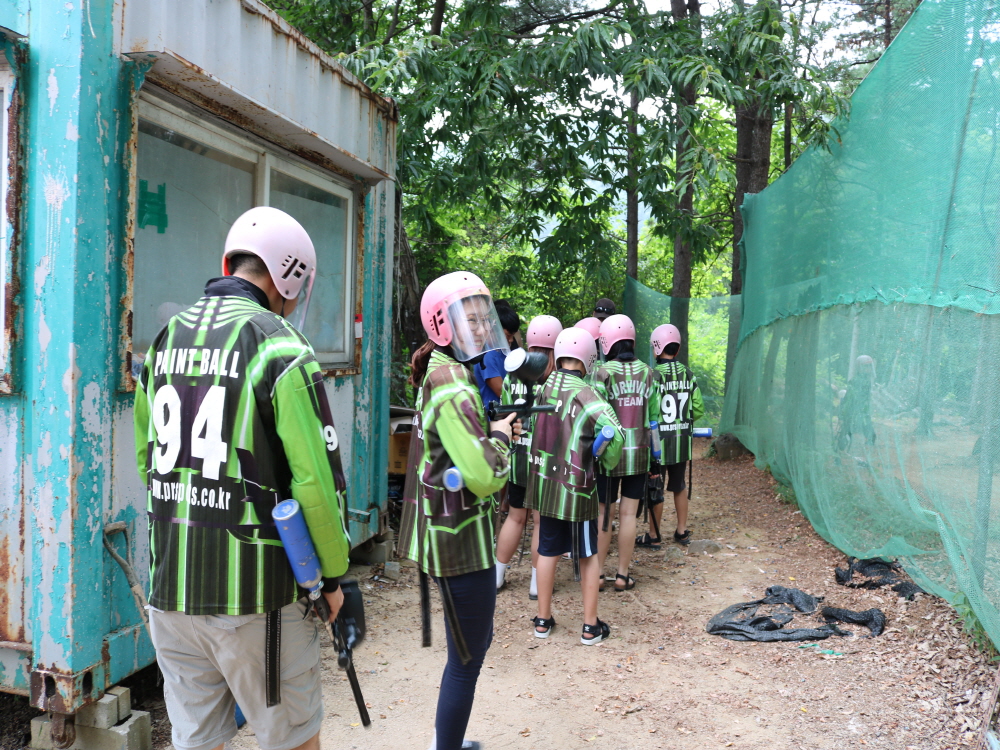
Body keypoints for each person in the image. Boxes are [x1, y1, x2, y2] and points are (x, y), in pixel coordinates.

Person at [133, 206, 351, 750]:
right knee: (293, 739)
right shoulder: (281, 346)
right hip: (257, 600)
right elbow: (315, 484)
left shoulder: (164, 341)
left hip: (170, 592)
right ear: (288, 279)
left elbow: (146, 458)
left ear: (230, 261)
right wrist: (331, 579)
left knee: (198, 740)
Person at [399, 271, 519, 750]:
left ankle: (446, 742)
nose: (483, 328)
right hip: (459, 538)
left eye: (483, 319)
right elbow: (485, 476)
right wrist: (502, 439)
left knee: (469, 648)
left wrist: (489, 431)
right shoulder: (452, 382)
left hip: (445, 529)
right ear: (441, 325)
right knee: (467, 660)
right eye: (470, 320)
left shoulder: (444, 370)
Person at [525, 327, 623, 643]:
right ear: (588, 359)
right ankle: (590, 626)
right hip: (576, 490)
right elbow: (616, 436)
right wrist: (603, 459)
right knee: (588, 554)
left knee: (547, 550)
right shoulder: (588, 395)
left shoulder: (545, 388)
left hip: (546, 484)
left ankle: (542, 620)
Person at [495, 315, 562, 596]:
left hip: (519, 458)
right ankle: (537, 584)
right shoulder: (557, 379)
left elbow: (504, 415)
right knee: (540, 521)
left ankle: (496, 577)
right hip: (545, 461)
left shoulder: (512, 374)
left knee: (515, 517)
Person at [591, 314, 659, 592]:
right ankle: (622, 575)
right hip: (639, 453)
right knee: (629, 515)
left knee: (604, 513)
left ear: (606, 342)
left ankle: (597, 575)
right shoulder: (648, 372)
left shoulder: (601, 373)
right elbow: (653, 419)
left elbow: (595, 416)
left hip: (608, 454)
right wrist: (656, 455)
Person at [639, 324, 705, 547]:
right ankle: (681, 531)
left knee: (655, 487)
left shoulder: (653, 375)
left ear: (658, 348)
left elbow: (649, 409)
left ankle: (654, 535)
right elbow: (698, 408)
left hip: (658, 443)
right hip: (682, 440)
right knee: (679, 485)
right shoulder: (688, 373)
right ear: (676, 348)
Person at [473, 299, 520, 411]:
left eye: (513, 335)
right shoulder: (487, 356)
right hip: (495, 417)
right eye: (508, 335)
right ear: (495, 328)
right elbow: (502, 392)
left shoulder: (503, 352)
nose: (511, 340)